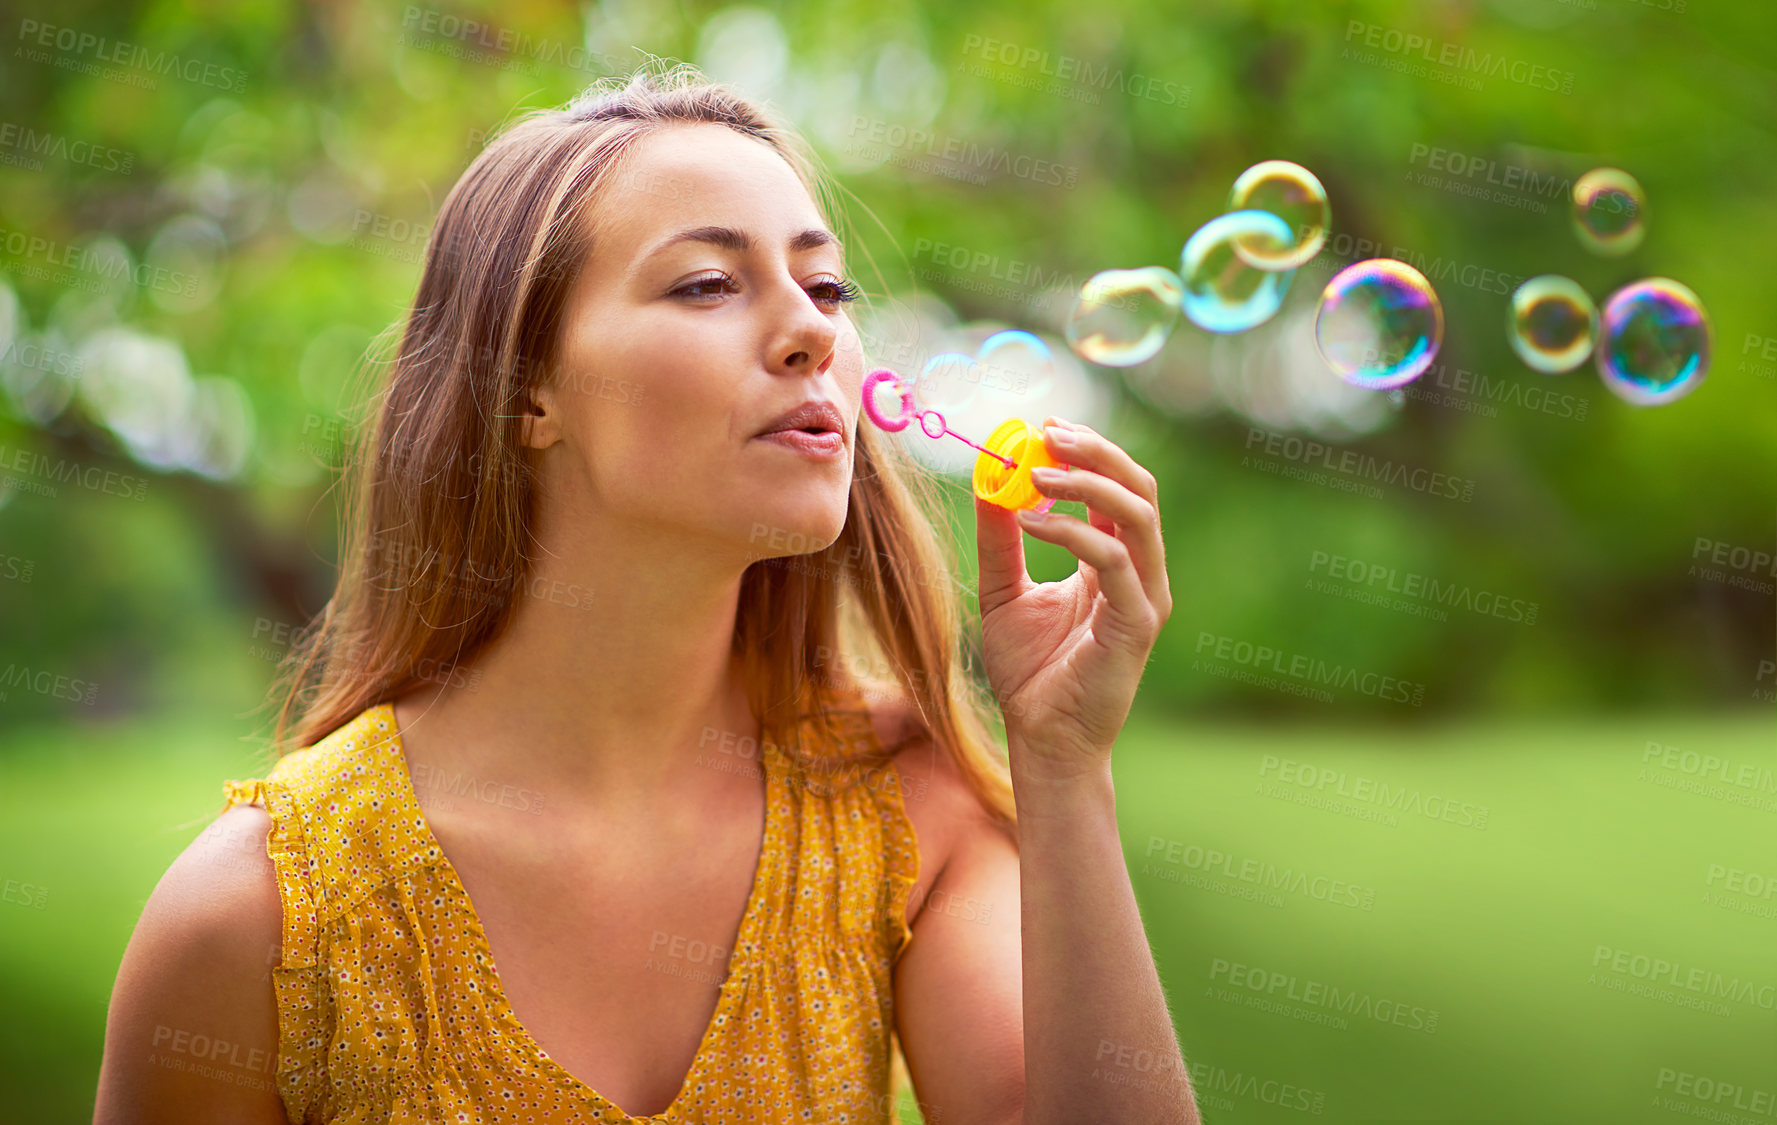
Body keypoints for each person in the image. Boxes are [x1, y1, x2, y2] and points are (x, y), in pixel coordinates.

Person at [93, 62, 1193, 1124]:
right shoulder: (259, 920)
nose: (814, 328)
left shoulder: (906, 813)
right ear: (527, 394)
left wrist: (1062, 771)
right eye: (708, 282)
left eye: (825, 285)